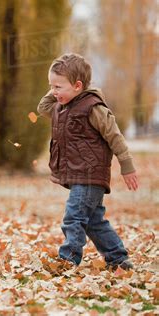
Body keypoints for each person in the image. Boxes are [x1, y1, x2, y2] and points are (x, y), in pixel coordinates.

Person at [37, 53, 139, 270]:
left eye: (58, 87)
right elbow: (42, 108)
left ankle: (68, 260)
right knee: (94, 222)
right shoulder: (62, 107)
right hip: (79, 173)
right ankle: (119, 260)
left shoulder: (94, 108)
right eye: (51, 86)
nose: (53, 92)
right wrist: (57, 89)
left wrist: (127, 165)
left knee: (73, 217)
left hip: (91, 174)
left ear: (78, 86)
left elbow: (115, 136)